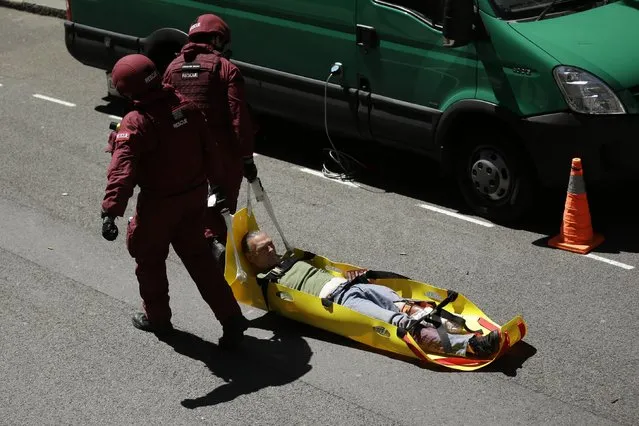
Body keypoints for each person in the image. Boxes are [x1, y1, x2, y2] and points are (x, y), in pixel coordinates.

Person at [100, 53, 249, 349]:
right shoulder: (186, 107)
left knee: (149, 260)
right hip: (193, 199)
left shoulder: (137, 121)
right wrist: (217, 186)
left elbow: (122, 169)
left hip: (159, 206)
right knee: (201, 261)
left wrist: (110, 212)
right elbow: (211, 150)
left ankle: (158, 320)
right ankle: (231, 318)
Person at [240, 230, 500, 358]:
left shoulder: (292, 257)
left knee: (408, 306)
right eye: (264, 249)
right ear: (251, 257)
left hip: (351, 285)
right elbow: (237, 276)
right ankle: (469, 347)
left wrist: (352, 275)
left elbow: (327, 265)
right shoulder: (264, 282)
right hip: (340, 302)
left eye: (271, 242)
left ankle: (466, 331)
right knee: (400, 322)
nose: (272, 249)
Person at [163, 13, 258, 266]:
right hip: (220, 153)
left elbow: (163, 110)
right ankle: (218, 255)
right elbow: (238, 118)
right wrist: (247, 157)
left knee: (195, 200)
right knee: (222, 206)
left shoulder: (172, 68)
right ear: (216, 39)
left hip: (184, 152)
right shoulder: (226, 69)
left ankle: (201, 242)